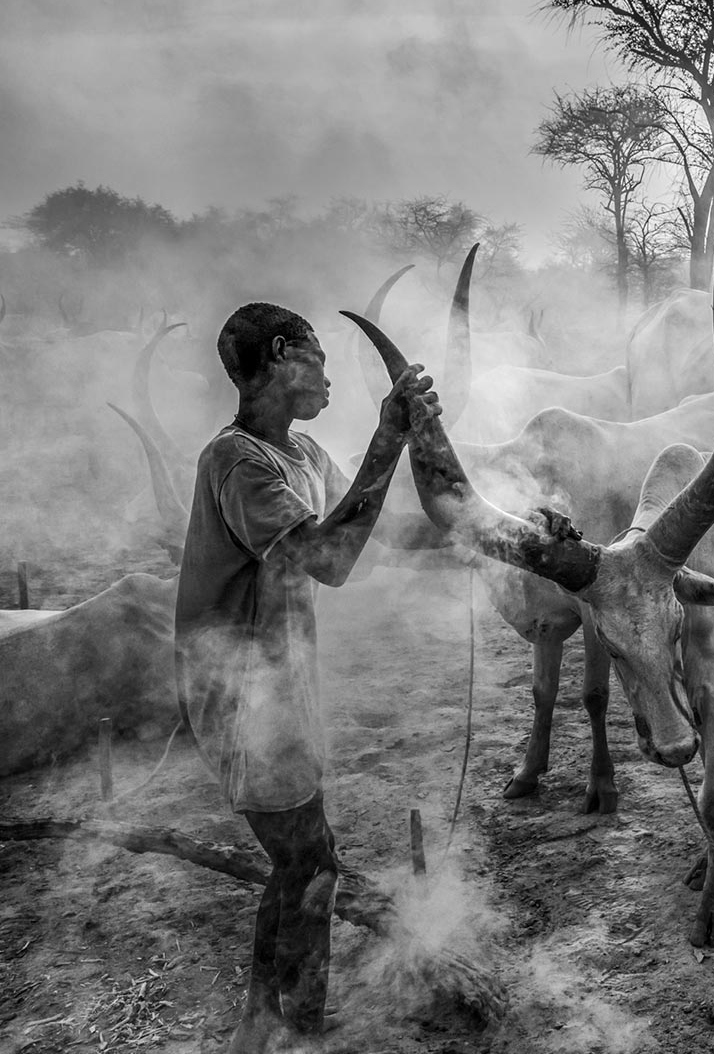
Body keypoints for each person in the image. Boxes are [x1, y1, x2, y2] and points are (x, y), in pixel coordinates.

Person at [175, 303, 437, 1052]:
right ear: (283, 353)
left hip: (281, 689)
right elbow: (330, 558)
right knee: (309, 861)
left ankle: (267, 1024)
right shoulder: (238, 463)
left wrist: (497, 535)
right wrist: (388, 437)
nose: (327, 377)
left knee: (300, 862)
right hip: (241, 697)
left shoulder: (302, 453)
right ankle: (293, 1027)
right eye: (318, 358)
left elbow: (378, 529)